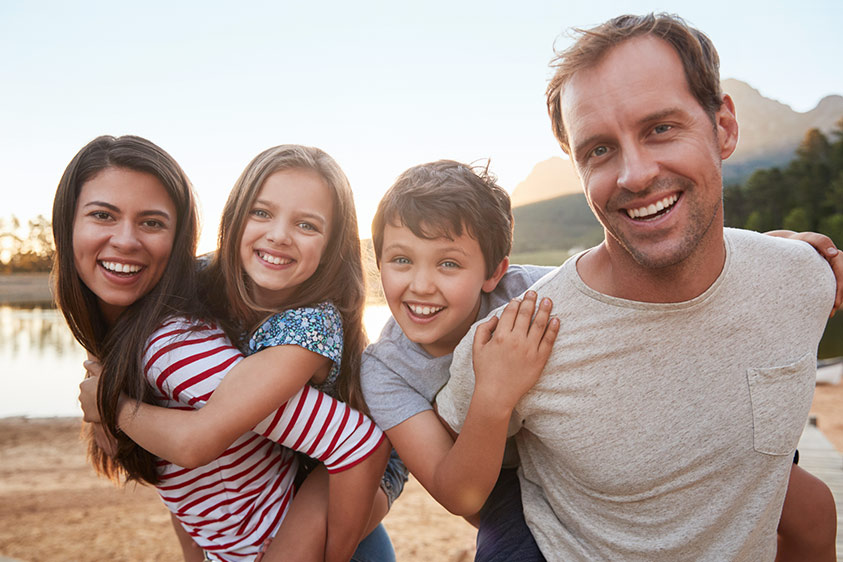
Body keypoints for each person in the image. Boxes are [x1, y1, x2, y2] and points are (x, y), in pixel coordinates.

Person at [436, 13, 839, 561]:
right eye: (599, 149)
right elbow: (464, 482)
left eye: (660, 128)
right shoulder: (518, 340)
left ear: (722, 127)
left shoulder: (806, 278)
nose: (635, 175)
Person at [362, 159, 842, 561]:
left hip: (586, 451)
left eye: (448, 263)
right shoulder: (385, 370)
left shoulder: (535, 294)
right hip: (503, 484)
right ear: (377, 260)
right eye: (401, 260)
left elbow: (651, 272)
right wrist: (494, 393)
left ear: (494, 272)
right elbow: (461, 495)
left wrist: (773, 249)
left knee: (814, 508)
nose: (420, 284)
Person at [60, 136, 389, 561]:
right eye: (103, 215)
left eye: (152, 222)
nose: (126, 240)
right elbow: (183, 487)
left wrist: (111, 404)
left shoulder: (183, 345)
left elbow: (357, 444)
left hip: (335, 498)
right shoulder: (197, 295)